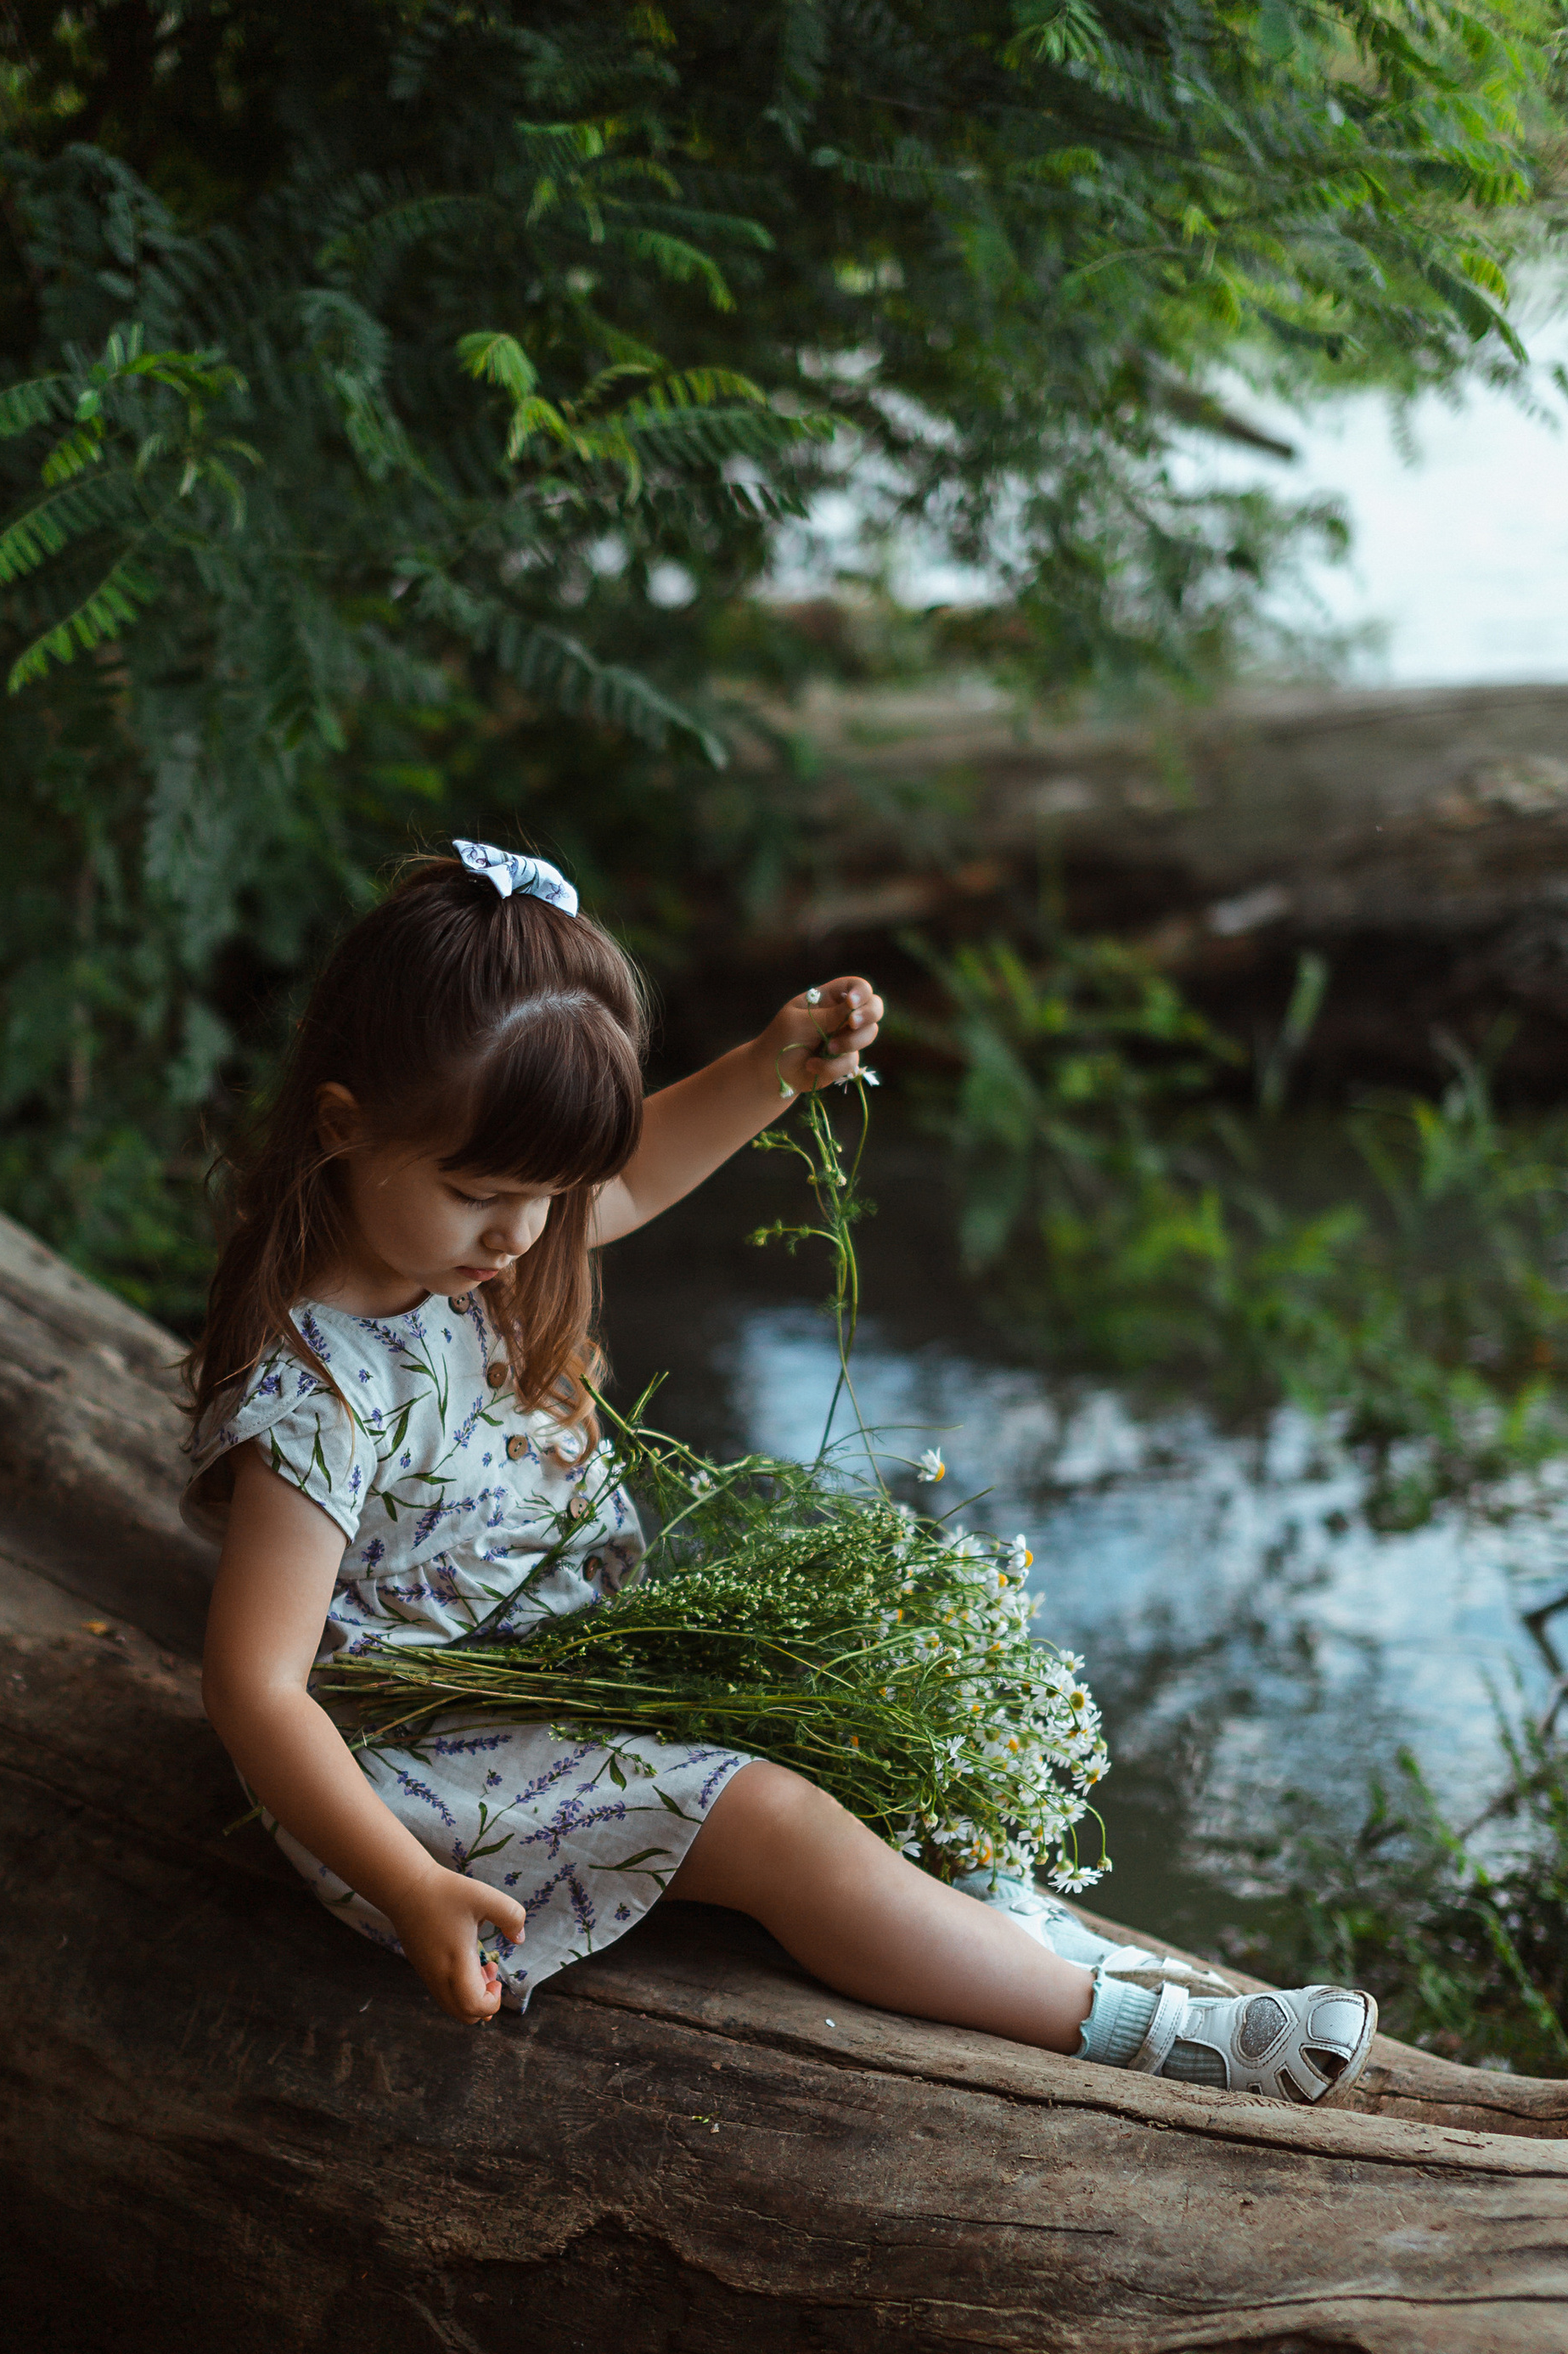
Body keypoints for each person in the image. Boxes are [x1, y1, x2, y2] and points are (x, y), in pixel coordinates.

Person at [186, 842, 1377, 2108]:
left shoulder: (470, 1250)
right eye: (485, 1191)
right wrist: (409, 1883)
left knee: (853, 1737)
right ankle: (1139, 2036)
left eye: (550, 1194)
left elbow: (632, 1174)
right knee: (770, 1819)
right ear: (342, 1128)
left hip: (564, 1677)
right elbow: (256, 1688)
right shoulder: (318, 1393)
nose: (524, 1233)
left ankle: (1059, 1953)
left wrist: (767, 1070)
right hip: (419, 1763)